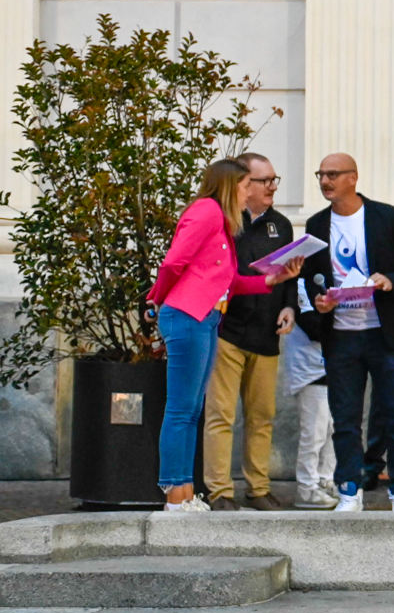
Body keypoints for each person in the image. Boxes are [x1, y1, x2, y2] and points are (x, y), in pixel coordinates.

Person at [144, 158, 302, 514]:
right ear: (231, 185)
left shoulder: (224, 221)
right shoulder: (208, 212)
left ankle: (185, 494)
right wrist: (156, 297)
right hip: (187, 315)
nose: (251, 192)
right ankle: (174, 495)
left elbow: (228, 282)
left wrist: (271, 281)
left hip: (207, 317)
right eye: (247, 185)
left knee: (193, 410)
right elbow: (173, 263)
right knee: (182, 409)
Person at [300, 153, 394, 513]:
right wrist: (319, 301)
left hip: (385, 333)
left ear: (353, 178)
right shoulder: (316, 223)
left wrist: (390, 281)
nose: (325, 181)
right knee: (345, 418)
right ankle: (349, 489)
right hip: (341, 336)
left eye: (333, 174)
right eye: (321, 174)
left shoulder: (386, 216)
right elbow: (310, 280)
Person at [200, 151, 298, 509]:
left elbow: (288, 274)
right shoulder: (225, 221)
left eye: (274, 180)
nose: (272, 186)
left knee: (261, 416)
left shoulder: (282, 225)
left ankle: (259, 488)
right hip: (227, 330)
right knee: (221, 415)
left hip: (267, 332)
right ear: (243, 184)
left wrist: (290, 306)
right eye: (263, 181)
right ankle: (220, 492)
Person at [284, 278, 338, 509]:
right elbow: (313, 326)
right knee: (314, 431)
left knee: (332, 429)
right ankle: (306, 488)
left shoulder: (335, 276)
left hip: (334, 365)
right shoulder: (301, 282)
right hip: (308, 368)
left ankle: (326, 481)